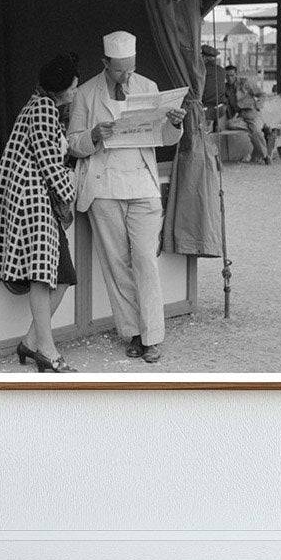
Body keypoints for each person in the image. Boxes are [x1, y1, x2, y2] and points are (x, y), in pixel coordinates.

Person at [67, 31, 186, 364]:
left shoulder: (148, 87)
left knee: (146, 260)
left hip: (142, 184)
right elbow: (72, 144)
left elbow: (164, 138)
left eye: (130, 68)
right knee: (117, 264)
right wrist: (93, 135)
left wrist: (175, 125)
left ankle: (153, 336)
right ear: (105, 63)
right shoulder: (85, 93)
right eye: (119, 70)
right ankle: (133, 332)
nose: (126, 75)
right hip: (104, 188)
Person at [0, 53, 79, 373]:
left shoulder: (37, 105)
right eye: (73, 84)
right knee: (43, 277)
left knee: (63, 276)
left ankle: (30, 342)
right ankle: (47, 350)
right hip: (35, 201)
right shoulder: (44, 110)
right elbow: (50, 164)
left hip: (32, 200)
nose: (76, 88)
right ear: (63, 88)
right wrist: (70, 190)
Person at [224, 63, 270, 164]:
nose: (229, 78)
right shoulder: (226, 88)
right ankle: (262, 128)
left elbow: (262, 94)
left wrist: (257, 105)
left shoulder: (245, 83)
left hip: (250, 112)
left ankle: (265, 156)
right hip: (239, 116)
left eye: (232, 75)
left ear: (236, 74)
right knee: (230, 124)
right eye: (227, 76)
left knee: (255, 131)